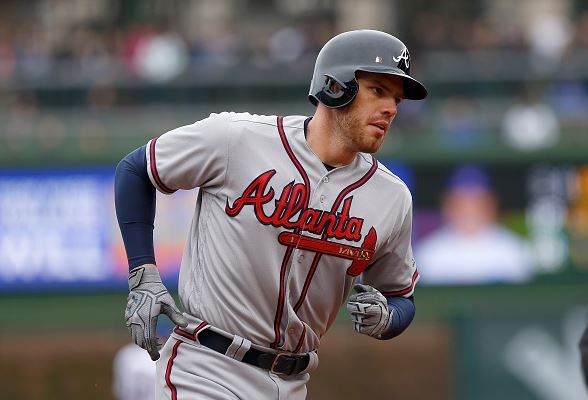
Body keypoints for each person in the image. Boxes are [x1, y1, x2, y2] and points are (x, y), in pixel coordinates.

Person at [114, 29, 427, 399]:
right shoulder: (236, 139)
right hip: (206, 368)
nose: (391, 108)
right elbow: (137, 169)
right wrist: (143, 275)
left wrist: (388, 318)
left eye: (397, 99)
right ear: (335, 86)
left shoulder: (392, 197)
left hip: (293, 383)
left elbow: (400, 296)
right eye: (378, 90)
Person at [415, 165, 533, 285]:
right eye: (460, 204)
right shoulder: (429, 253)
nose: (469, 211)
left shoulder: (513, 250)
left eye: (477, 203)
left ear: (491, 205)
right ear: (447, 206)